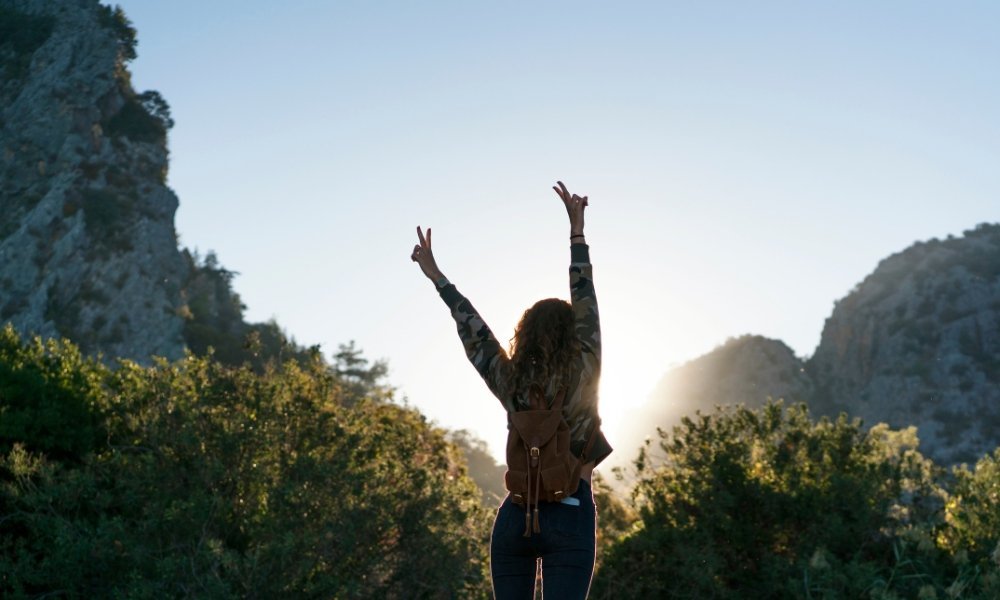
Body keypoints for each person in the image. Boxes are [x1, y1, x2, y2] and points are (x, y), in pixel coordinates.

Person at [411, 181, 612, 599]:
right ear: (572, 334)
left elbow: (477, 334)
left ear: (526, 335)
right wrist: (577, 234)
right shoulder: (584, 368)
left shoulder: (512, 381)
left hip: (514, 519)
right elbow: (586, 300)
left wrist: (438, 279)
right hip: (570, 514)